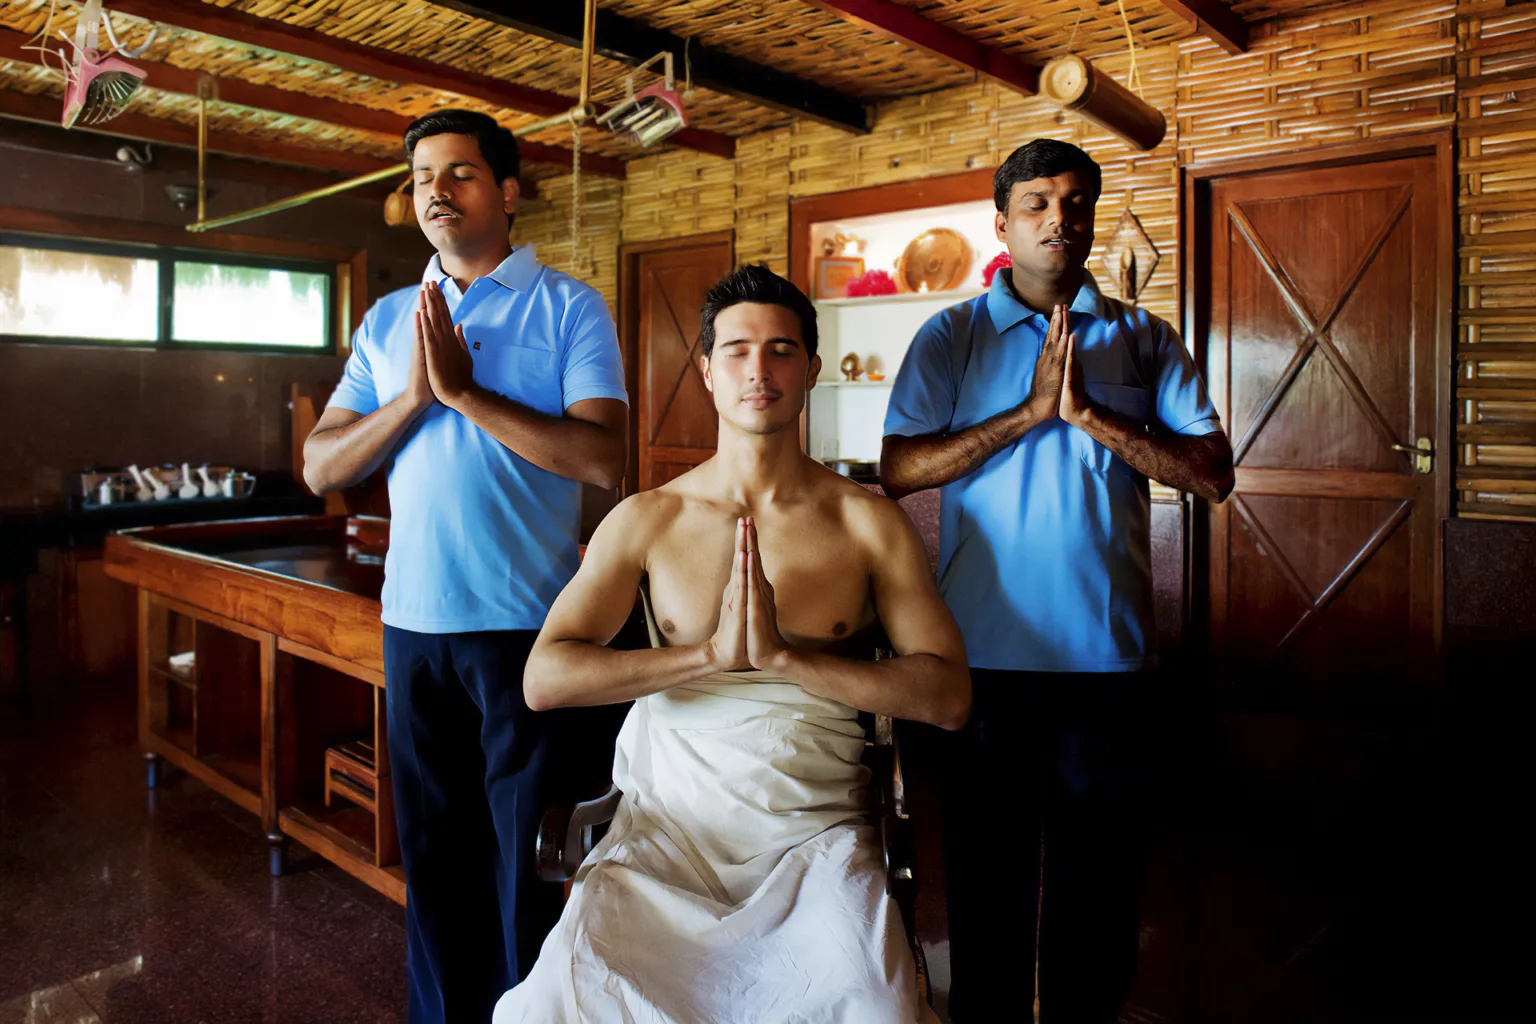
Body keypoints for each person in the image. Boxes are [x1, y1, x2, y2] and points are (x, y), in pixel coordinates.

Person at [492, 264, 969, 1024]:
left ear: (812, 369)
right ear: (707, 370)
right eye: (738, 349)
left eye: (782, 350)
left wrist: (788, 660)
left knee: (875, 1005)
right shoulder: (649, 517)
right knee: (564, 1000)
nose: (760, 368)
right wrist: (707, 656)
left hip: (815, 835)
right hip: (667, 832)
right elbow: (545, 679)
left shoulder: (866, 523)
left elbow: (947, 697)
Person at [880, 138, 1235, 1023]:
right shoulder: (950, 335)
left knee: (1100, 892)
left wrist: (1086, 414)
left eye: (1075, 202)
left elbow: (1212, 474)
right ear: (1001, 223)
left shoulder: (1144, 338)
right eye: (1035, 202)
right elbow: (899, 467)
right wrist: (1029, 415)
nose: (1058, 219)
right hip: (982, 661)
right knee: (986, 886)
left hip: (1107, 666)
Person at [302, 109, 629, 1024]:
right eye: (421, 179)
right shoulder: (385, 319)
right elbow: (324, 466)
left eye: (460, 174)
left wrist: (465, 395)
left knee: (523, 856)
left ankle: (532, 1015)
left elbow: (604, 458)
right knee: (435, 855)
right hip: (412, 626)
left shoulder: (568, 306)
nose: (436, 192)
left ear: (509, 192)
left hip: (527, 629)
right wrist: (414, 395)